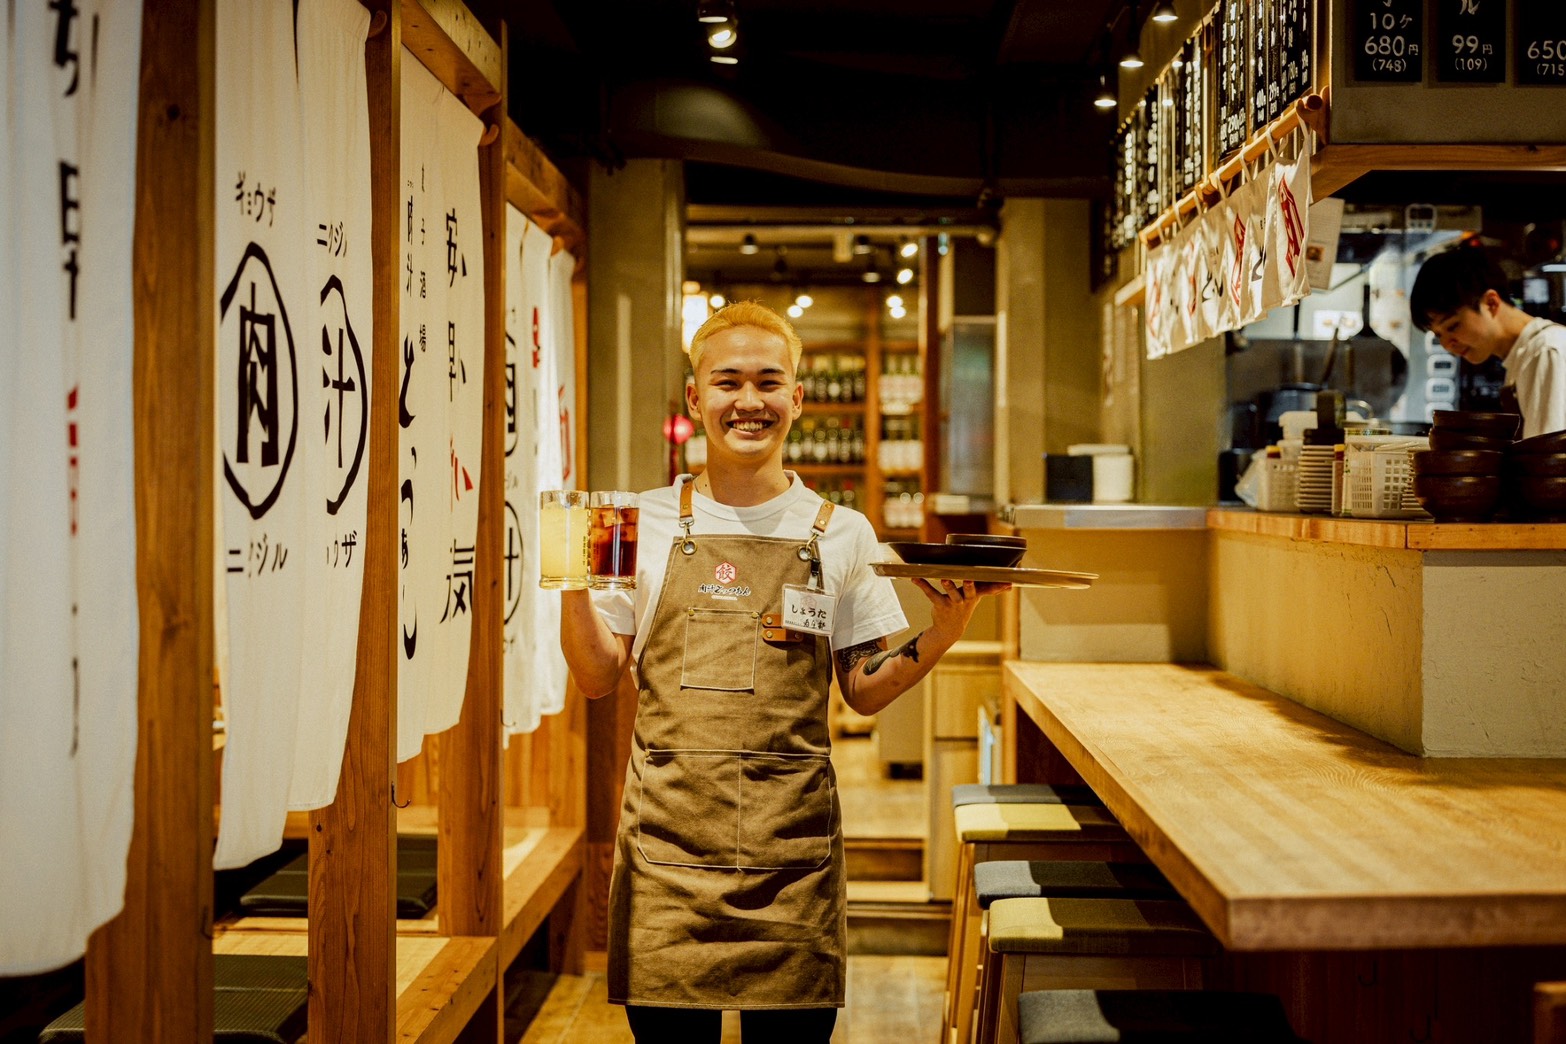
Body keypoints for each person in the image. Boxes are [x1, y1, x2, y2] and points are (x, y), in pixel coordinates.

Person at [558, 300, 1007, 1043]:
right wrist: (569, 584)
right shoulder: (635, 520)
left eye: (769, 382)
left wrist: (946, 629)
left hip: (791, 856)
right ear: (696, 397)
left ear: (798, 398)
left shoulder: (842, 531)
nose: (749, 401)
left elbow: (863, 690)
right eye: (727, 381)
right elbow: (598, 678)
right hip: (667, 856)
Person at [1411, 245, 1566, 439]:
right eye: (1438, 335)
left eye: (1452, 327)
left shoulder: (1546, 351)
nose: (1447, 345)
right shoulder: (1523, 356)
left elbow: (1549, 463)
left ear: (1491, 303)